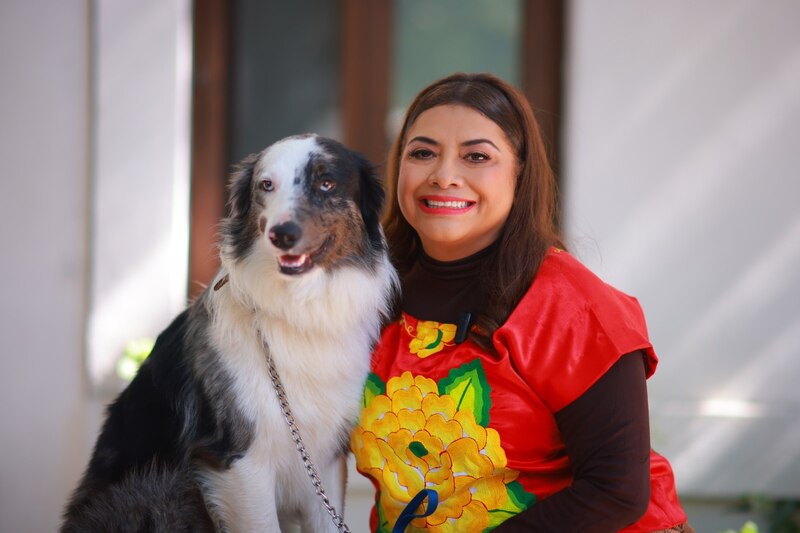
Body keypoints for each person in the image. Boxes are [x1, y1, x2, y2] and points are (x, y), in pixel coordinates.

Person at [349, 72, 694, 533]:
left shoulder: (571, 305)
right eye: (422, 152)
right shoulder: (362, 291)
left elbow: (617, 491)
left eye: (476, 156)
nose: (444, 176)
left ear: (520, 172)